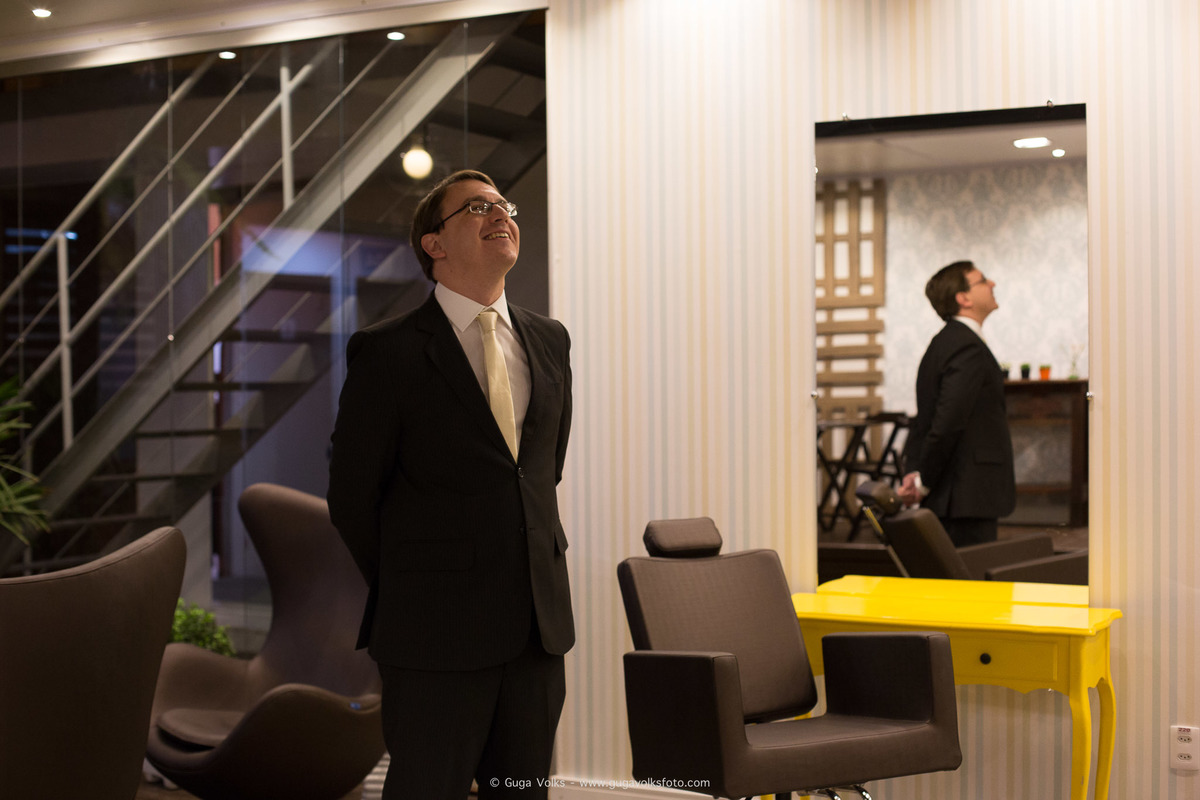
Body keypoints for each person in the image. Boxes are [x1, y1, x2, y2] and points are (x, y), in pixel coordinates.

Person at [327, 169, 574, 799]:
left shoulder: (550, 340)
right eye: (477, 208)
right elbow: (352, 497)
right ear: (433, 244)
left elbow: (539, 474)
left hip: (535, 630)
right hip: (432, 634)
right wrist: (418, 578)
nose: (501, 214)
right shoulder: (386, 352)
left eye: (504, 205)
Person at [898, 260, 1015, 546]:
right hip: (965, 495)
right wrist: (923, 480)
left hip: (957, 493)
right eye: (983, 280)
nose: (992, 284)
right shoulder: (965, 345)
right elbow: (947, 421)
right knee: (968, 573)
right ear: (963, 298)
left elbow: (926, 418)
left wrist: (916, 471)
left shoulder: (945, 342)